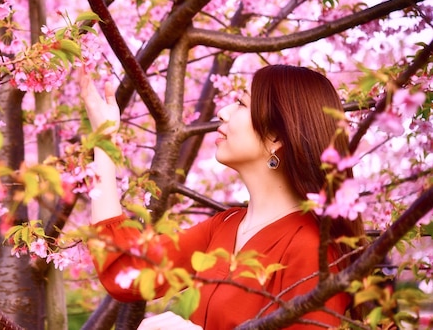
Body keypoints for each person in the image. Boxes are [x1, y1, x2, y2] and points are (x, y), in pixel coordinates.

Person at [79, 64, 364, 329]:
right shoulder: (225, 226)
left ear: (275, 137)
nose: (223, 112)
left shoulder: (313, 250)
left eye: (240, 103)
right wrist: (104, 142)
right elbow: (126, 272)